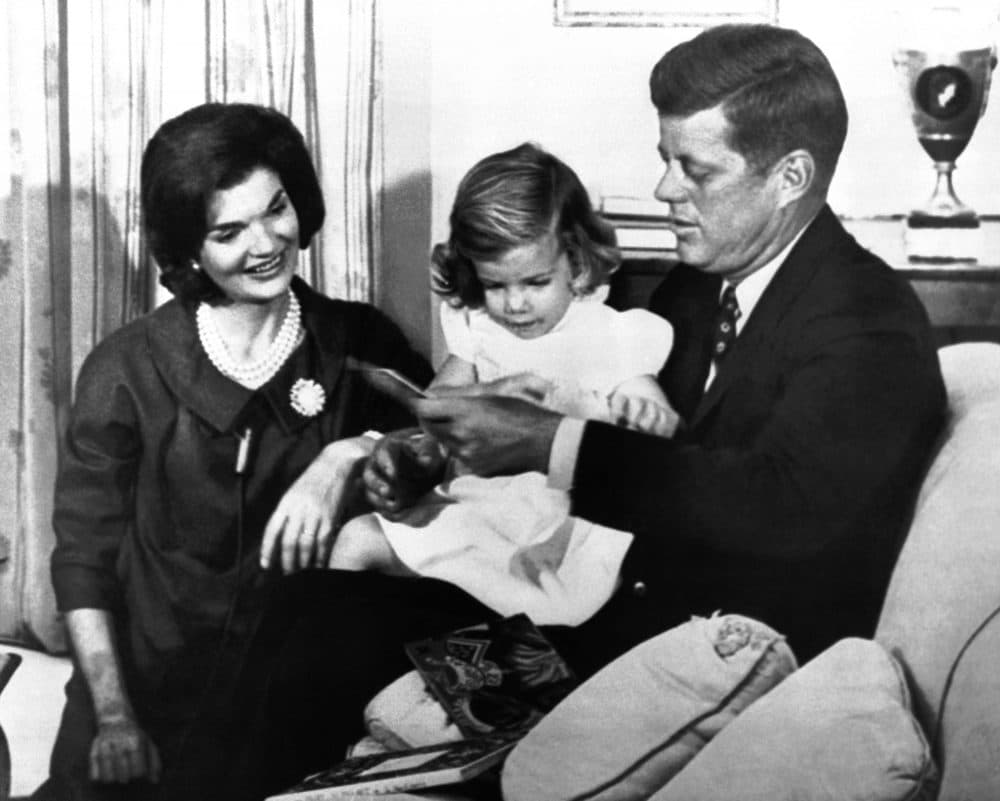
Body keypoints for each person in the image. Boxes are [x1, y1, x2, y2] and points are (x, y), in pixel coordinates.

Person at [365, 23, 948, 675]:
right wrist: (437, 451)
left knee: (333, 629)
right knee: (325, 608)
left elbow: (782, 506)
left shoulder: (869, 320)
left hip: (696, 662)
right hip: (595, 619)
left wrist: (548, 440)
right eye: (666, 159)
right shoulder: (695, 289)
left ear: (791, 177)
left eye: (693, 168)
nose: (666, 189)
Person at [35, 103, 438, 801]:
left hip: (293, 714)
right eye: (228, 231)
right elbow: (83, 563)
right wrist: (112, 716)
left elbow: (444, 448)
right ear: (189, 248)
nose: (266, 242)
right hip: (142, 706)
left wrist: (346, 455)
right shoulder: (124, 370)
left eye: (276, 208)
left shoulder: (359, 340)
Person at [329, 142, 678, 627]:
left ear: (575, 263)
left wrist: (646, 411)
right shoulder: (479, 330)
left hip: (556, 527)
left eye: (535, 283)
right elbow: (434, 410)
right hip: (478, 509)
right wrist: (433, 432)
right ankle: (346, 677)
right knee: (356, 539)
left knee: (536, 611)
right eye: (496, 286)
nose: (514, 305)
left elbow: (652, 417)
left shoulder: (606, 332)